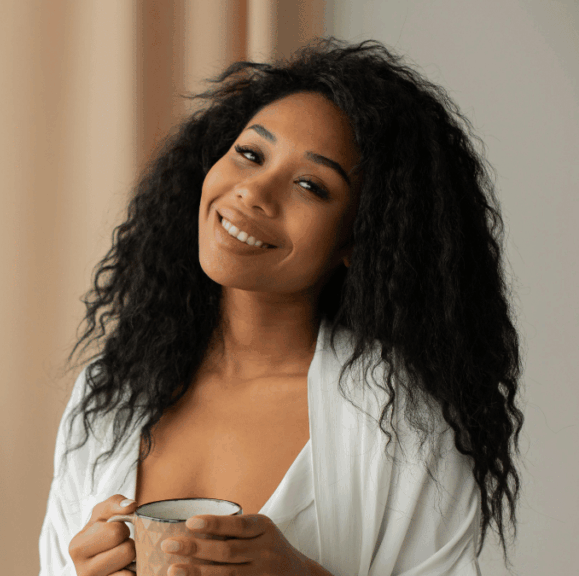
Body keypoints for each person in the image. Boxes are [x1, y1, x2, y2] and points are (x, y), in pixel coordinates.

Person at [38, 38, 523, 576]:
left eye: (311, 186)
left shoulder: (403, 422)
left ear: (357, 242)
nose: (254, 192)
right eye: (250, 154)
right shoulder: (112, 394)